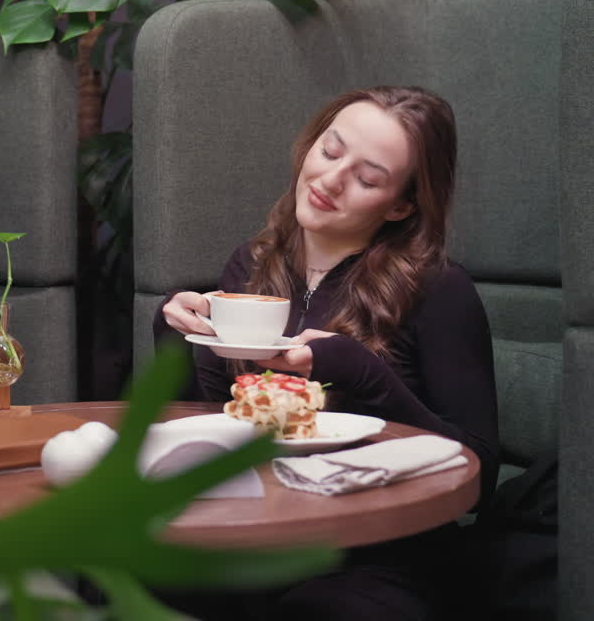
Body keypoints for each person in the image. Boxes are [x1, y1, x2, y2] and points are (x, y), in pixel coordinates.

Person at [153, 85, 499, 620]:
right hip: (253, 533)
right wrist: (176, 337)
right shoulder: (250, 267)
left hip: (377, 554)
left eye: (367, 178)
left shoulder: (440, 290)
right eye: (331, 151)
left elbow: (479, 475)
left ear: (401, 204)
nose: (330, 180)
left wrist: (360, 373)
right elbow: (211, 425)